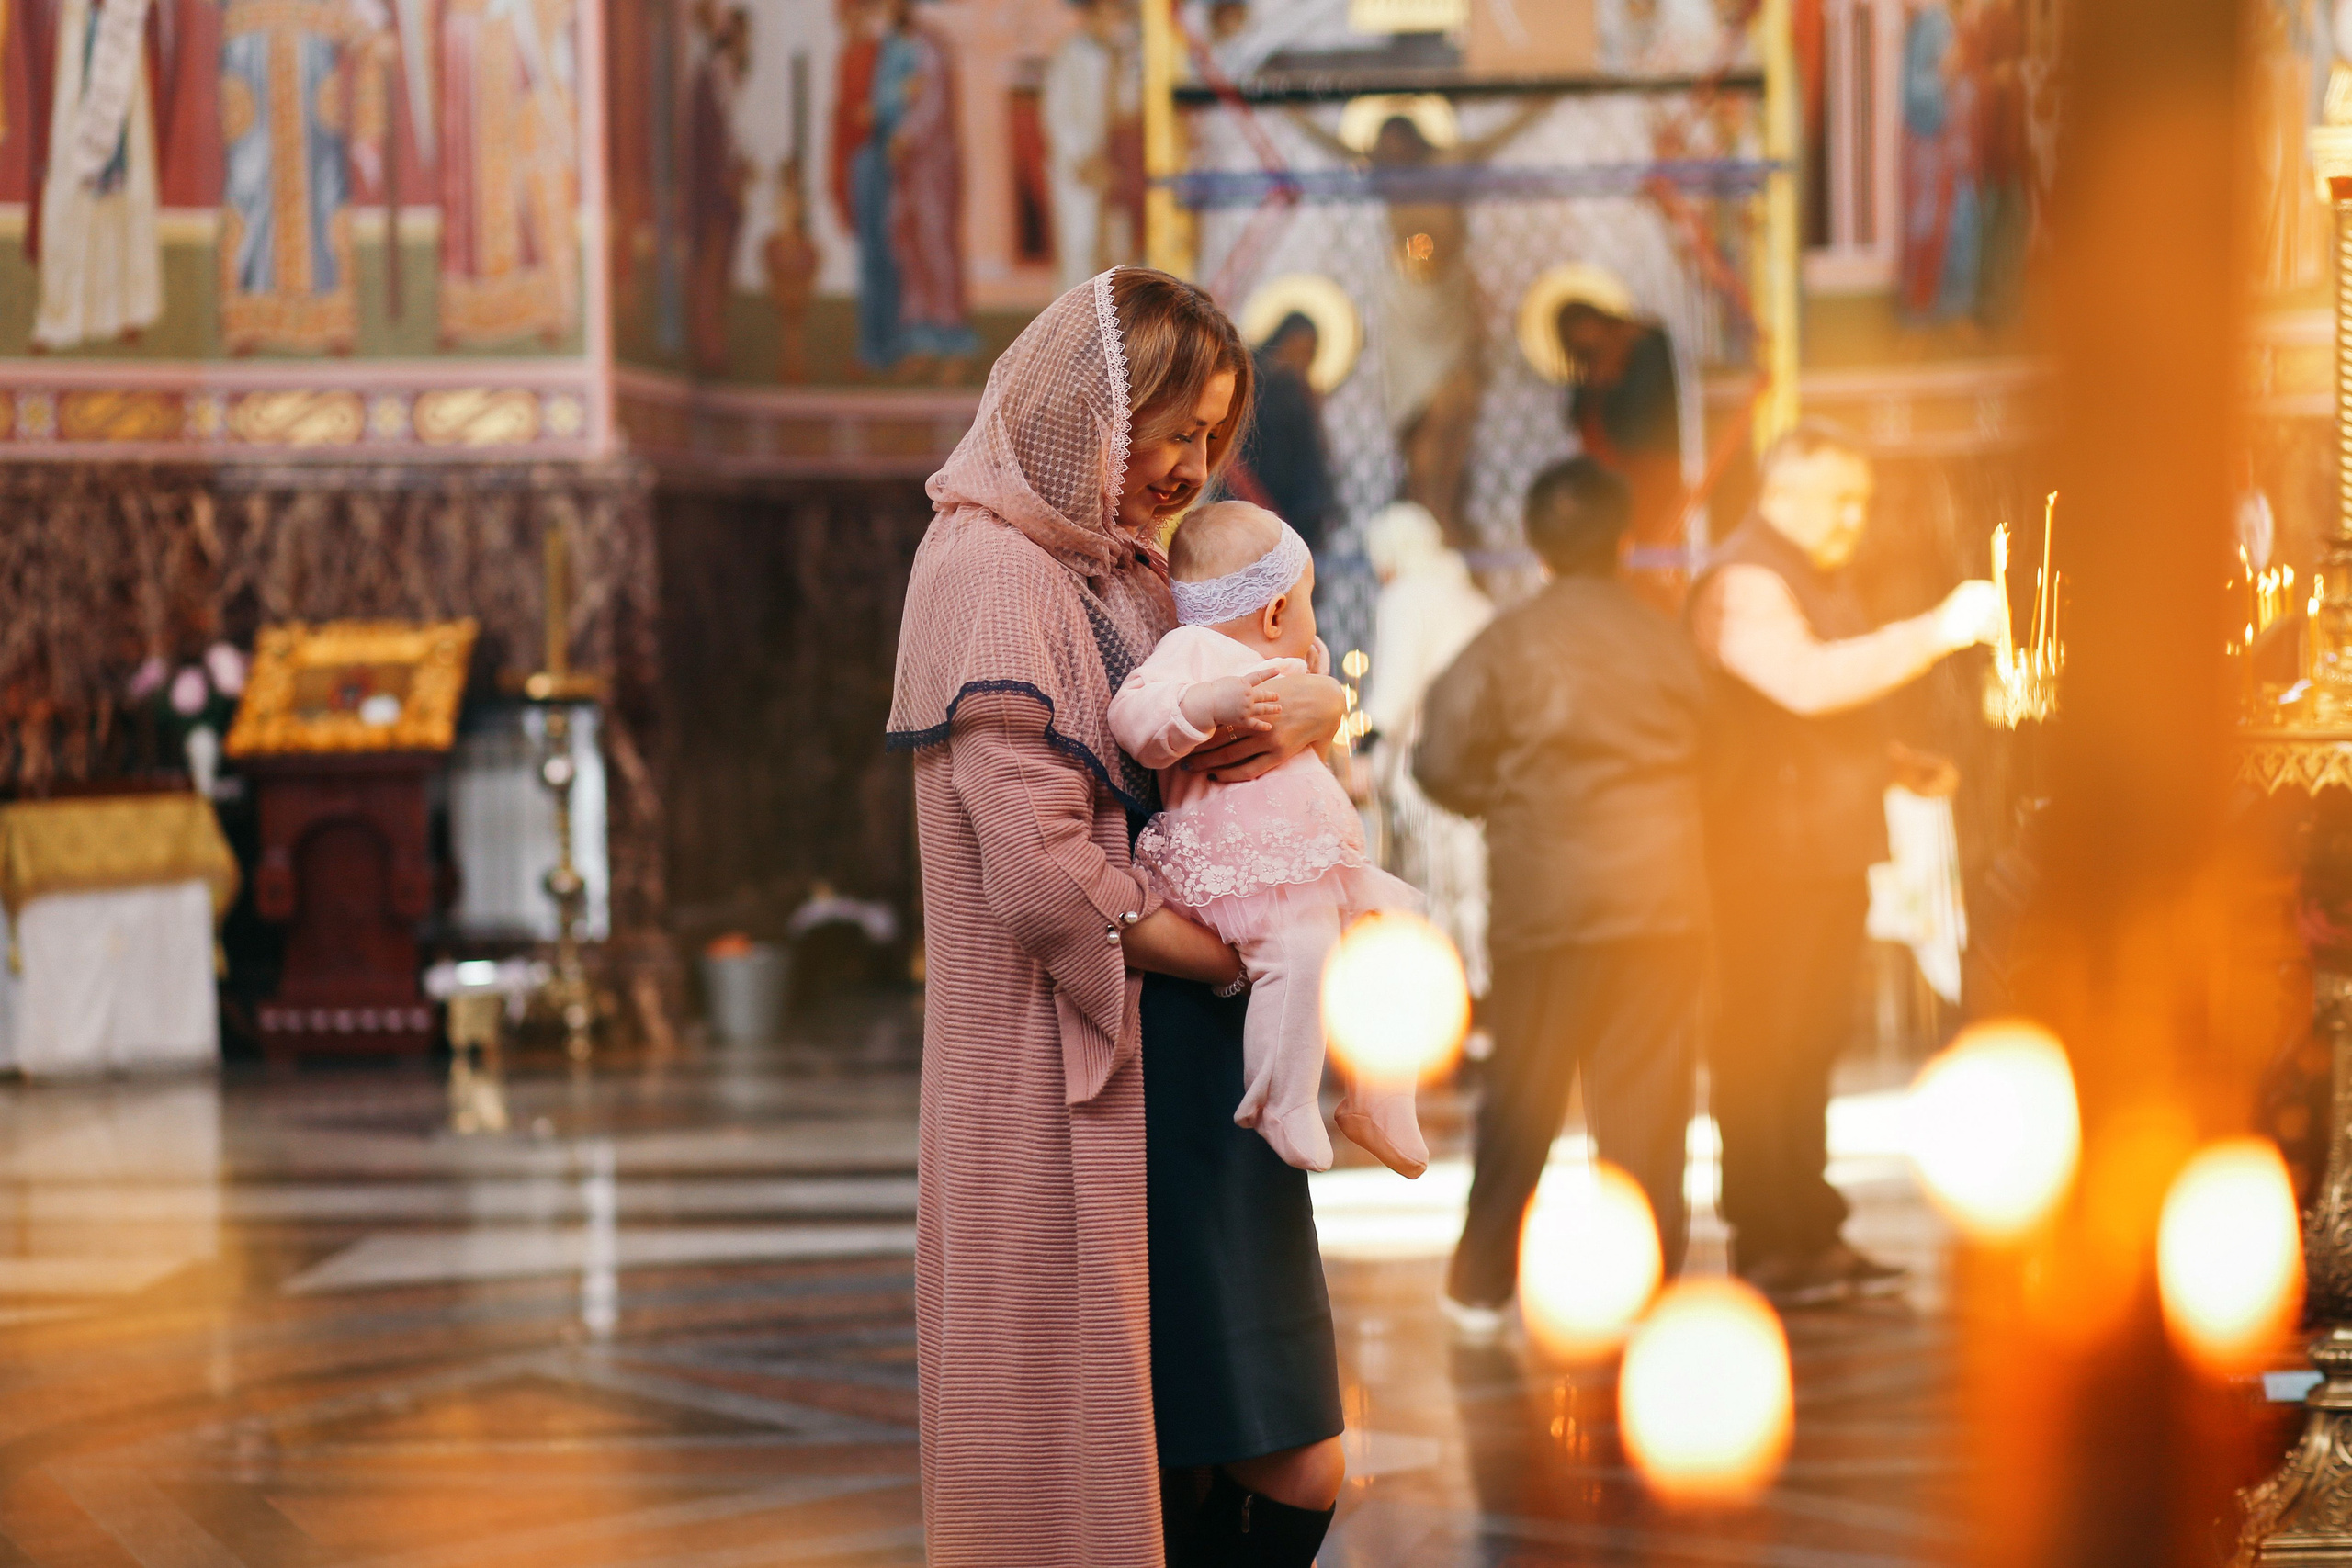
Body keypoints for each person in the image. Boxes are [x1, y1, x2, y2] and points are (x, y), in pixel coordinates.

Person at [885, 268, 1349, 1567]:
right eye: (1174, 428)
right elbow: (1043, 873)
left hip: (1185, 1054)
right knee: (1211, 1449)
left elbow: (1240, 724)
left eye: (1216, 435)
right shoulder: (988, 565)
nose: (1194, 464)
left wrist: (1319, 707)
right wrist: (1257, 957)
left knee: (1239, 1447)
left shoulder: (1125, 563)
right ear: (1092, 403)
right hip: (1089, 1064)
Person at [1688, 423, 2003, 1305]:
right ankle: (1771, 1237)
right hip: (1763, 859)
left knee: (1814, 1042)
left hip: (1816, 849)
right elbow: (1802, 682)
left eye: (1864, 501)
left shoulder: (1806, 572)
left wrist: (1894, 761)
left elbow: (1812, 715)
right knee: (1767, 1047)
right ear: (1782, 494)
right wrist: (1939, 630)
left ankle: (1813, 1230)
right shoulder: (1747, 576)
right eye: (1842, 499)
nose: (1857, 519)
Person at [1413, 459, 1711, 1335]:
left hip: (1542, 907)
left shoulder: (1503, 645)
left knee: (1524, 1094)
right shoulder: (1669, 641)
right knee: (1649, 1105)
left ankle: (1480, 1288)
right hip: (1662, 904)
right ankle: (1650, 1290)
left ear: (1536, 548)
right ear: (1624, 544)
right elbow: (1726, 755)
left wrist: (1506, 805)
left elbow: (1436, 763)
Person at [1109, 500, 1427, 1177]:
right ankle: (1281, 1098)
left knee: (1399, 927)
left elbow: (1322, 695)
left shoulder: (1294, 661)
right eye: (1307, 602)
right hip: (1234, 865)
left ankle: (1382, 1096)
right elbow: (1135, 714)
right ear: (1278, 612)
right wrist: (1208, 704)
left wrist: (1328, 695)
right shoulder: (1192, 651)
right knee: (1300, 951)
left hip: (1308, 856)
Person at [1362, 501, 1495, 997]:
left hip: (1428, 772)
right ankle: (1480, 998)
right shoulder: (1471, 597)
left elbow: (1394, 690)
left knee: (1429, 885)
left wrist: (1365, 744)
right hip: (1480, 771)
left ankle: (1438, 1002)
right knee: (1474, 888)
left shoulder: (1406, 597)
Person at [1555, 299, 1686, 610]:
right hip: (1615, 480)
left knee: (1659, 545)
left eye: (1586, 328)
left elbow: (1642, 423)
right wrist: (1593, 382)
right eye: (1576, 338)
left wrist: (1609, 386)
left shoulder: (1646, 346)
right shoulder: (1588, 367)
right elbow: (1578, 417)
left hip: (1652, 470)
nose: (1586, 339)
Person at [1229, 314, 1339, 557]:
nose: (1305, 359)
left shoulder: (1298, 391)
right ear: (1285, 341)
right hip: (1249, 498)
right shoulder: (1249, 380)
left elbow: (1309, 458)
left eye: (1311, 352)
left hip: (1294, 510)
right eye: (1302, 349)